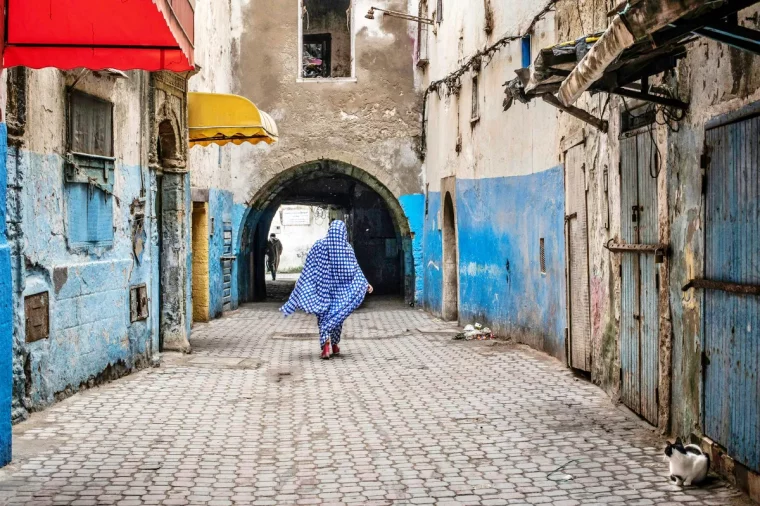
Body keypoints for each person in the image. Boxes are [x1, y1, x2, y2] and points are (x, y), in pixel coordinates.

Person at [280, 220, 373, 359]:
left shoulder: (319, 245)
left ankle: (326, 345)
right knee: (337, 318)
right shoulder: (346, 248)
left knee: (323, 316)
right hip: (340, 293)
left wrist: (302, 282)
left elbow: (309, 267)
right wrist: (365, 284)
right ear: (343, 232)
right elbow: (355, 270)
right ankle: (334, 344)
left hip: (322, 290)